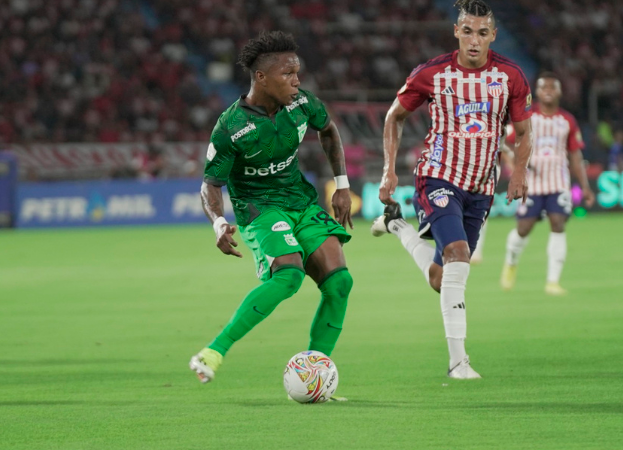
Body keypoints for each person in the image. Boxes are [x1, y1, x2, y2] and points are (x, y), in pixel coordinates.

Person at [370, 0, 533, 379]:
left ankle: (396, 226)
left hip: (481, 186)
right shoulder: (432, 73)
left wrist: (519, 173)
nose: (474, 40)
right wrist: (388, 171)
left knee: (440, 278)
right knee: (458, 254)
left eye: (482, 33)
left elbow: (525, 132)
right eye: (468, 31)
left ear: (493, 35)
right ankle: (458, 362)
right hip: (438, 177)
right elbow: (394, 117)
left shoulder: (510, 76)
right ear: (456, 31)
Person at [188, 31, 354, 385]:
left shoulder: (302, 103)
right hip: (260, 208)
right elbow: (210, 184)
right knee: (289, 276)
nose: (297, 81)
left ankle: (315, 374)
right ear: (261, 77)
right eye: (288, 74)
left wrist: (342, 184)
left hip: (300, 200)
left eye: (297, 72)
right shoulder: (231, 126)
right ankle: (213, 351)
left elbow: (328, 129)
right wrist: (218, 222)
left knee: (340, 283)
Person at [500, 72, 595, 295]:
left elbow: (575, 155)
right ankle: (511, 263)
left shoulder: (567, 121)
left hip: (558, 182)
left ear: (560, 92)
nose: (549, 91)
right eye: (545, 87)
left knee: (558, 224)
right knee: (524, 228)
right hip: (531, 183)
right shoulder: (526, 117)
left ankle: (553, 281)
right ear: (538, 92)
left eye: (553, 87)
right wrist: (515, 167)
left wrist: (585, 187)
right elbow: (505, 143)